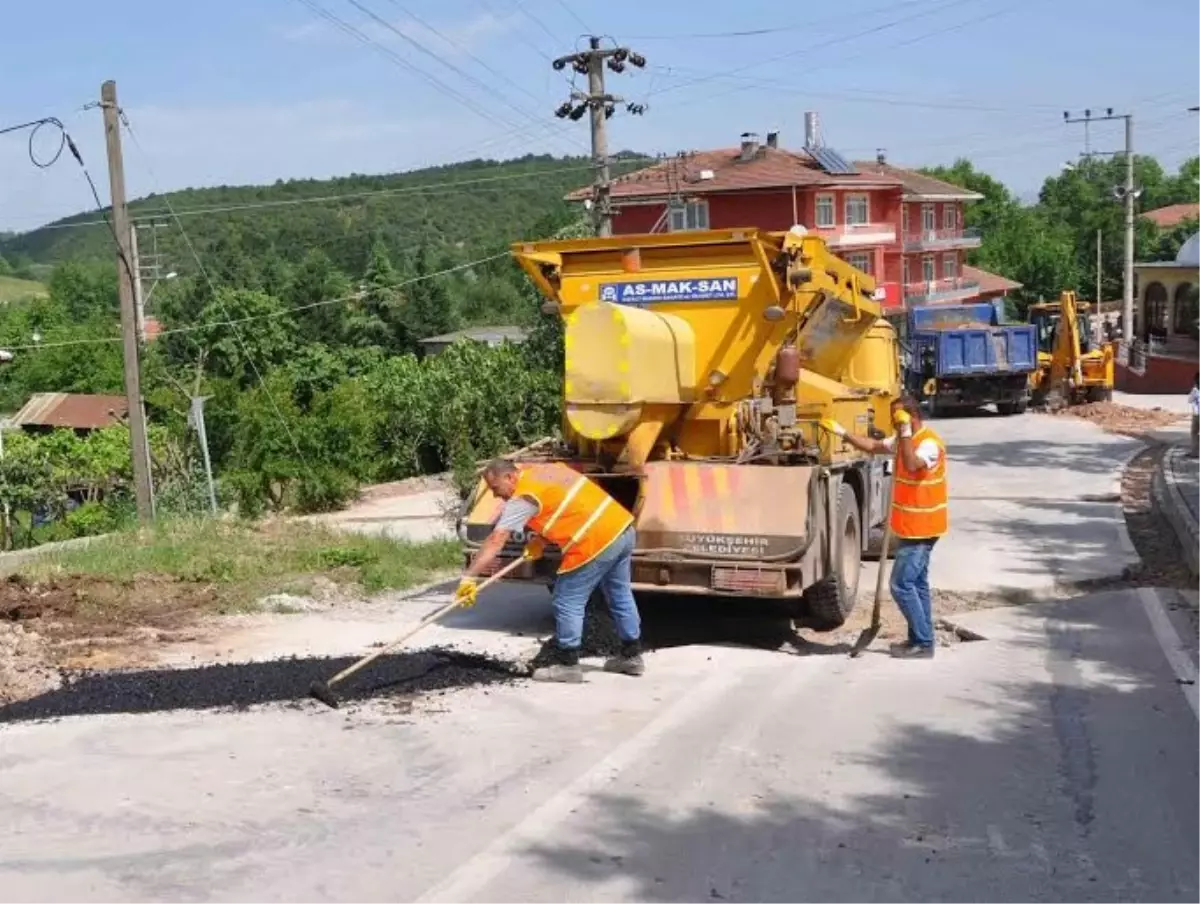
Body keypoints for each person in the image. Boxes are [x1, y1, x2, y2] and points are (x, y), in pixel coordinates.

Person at [455, 458, 644, 683]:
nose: (497, 496)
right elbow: (566, 505)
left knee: (566, 600)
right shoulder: (546, 471)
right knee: (619, 594)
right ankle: (632, 656)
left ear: (509, 477)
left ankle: (568, 664)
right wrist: (541, 541)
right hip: (621, 529)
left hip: (594, 541)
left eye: (496, 489)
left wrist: (469, 577)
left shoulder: (523, 497)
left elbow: (496, 540)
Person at [821, 395, 948, 659]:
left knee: (901, 585)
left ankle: (923, 643)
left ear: (911, 417)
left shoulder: (928, 445)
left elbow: (913, 465)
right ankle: (920, 639)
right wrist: (844, 434)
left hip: (922, 529)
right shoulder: (904, 441)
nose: (892, 422)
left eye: (897, 417)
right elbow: (875, 445)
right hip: (911, 526)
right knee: (918, 584)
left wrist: (903, 431)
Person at [1189, 372, 1200, 458]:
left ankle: (1195, 453)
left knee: (1194, 433)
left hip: (1197, 414)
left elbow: (1190, 400)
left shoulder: (1195, 390)